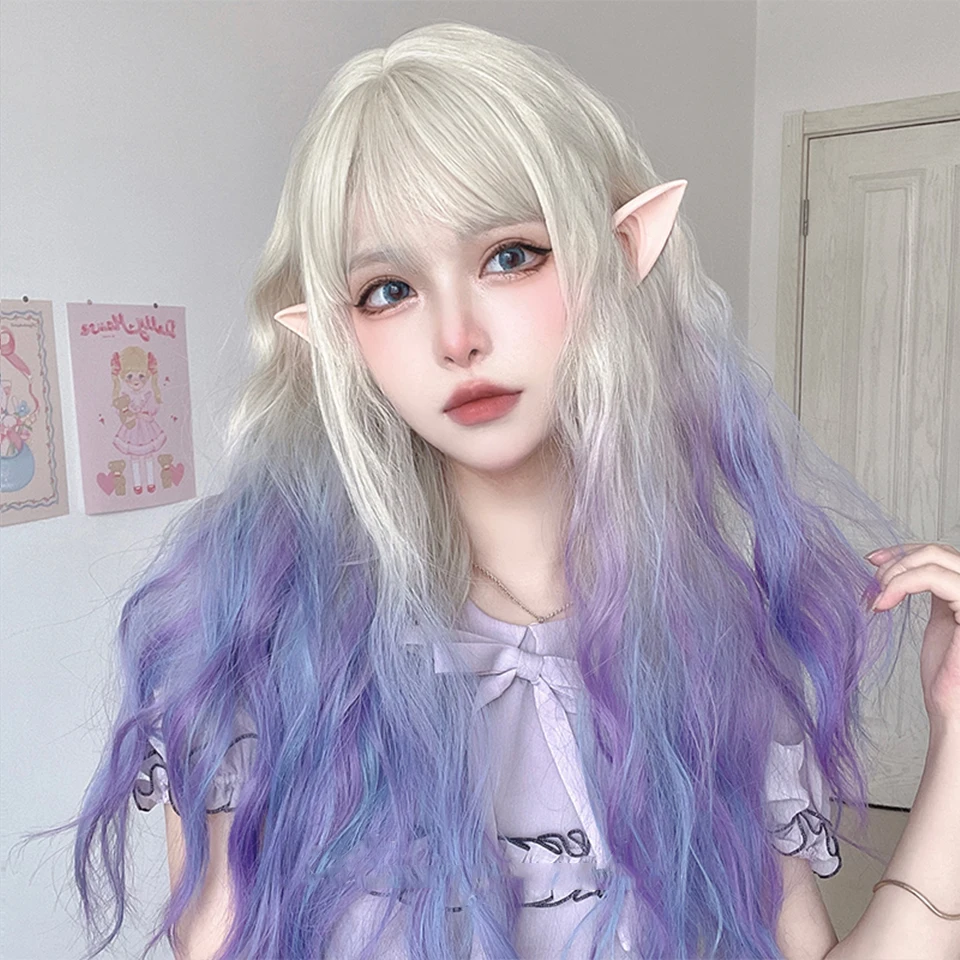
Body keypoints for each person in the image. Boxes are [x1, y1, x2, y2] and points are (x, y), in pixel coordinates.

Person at [28, 21, 960, 960]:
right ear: (335, 336)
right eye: (388, 290)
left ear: (622, 249)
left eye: (511, 255)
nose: (456, 337)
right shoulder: (262, 637)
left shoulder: (710, 639)